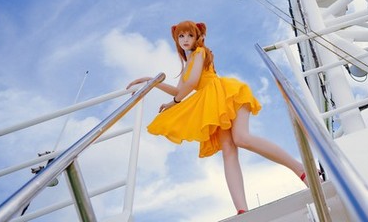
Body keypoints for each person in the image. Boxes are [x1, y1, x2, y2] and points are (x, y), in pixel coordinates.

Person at [127, 20, 308, 215]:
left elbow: (192, 83)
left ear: (197, 37)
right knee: (228, 150)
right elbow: (180, 90)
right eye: (181, 36)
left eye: (190, 35)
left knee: (241, 138)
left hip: (228, 94)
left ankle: (301, 170)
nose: (185, 39)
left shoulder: (200, 52)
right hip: (212, 102)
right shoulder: (187, 64)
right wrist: (152, 82)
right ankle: (242, 210)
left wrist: (175, 102)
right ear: (176, 40)